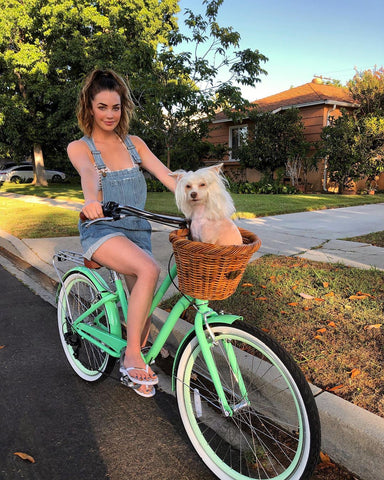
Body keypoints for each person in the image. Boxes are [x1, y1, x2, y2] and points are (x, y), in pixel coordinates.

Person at [67, 69, 176, 397]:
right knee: (148, 269)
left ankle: (136, 344)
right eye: (102, 107)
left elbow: (168, 177)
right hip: (101, 229)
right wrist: (91, 202)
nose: (110, 115)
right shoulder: (80, 147)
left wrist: (200, 193)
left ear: (123, 107)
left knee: (142, 314)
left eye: (115, 107)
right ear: (89, 107)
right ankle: (131, 358)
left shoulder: (135, 145)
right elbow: (90, 175)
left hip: (137, 233)